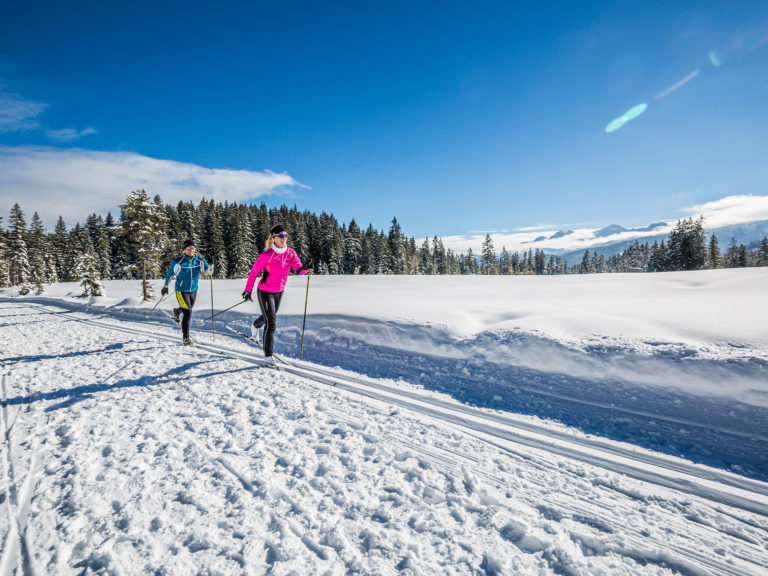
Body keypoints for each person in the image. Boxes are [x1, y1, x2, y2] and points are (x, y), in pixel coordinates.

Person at [242, 224, 311, 367]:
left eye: (286, 236)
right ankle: (268, 356)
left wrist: (305, 268)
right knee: (271, 323)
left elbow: (298, 269)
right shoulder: (267, 254)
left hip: (279, 291)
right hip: (265, 291)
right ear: (274, 237)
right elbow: (254, 272)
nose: (284, 238)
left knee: (269, 316)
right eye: (281, 236)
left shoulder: (290, 253)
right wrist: (248, 290)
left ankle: (255, 325)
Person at [161, 239, 213, 345]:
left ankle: (177, 311)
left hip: (194, 290)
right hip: (181, 290)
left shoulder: (199, 260)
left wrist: (211, 265)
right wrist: (165, 286)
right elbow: (170, 274)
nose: (191, 250)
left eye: (192, 248)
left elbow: (209, 273)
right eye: (188, 248)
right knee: (188, 312)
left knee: (187, 309)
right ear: (184, 250)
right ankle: (186, 338)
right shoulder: (178, 262)